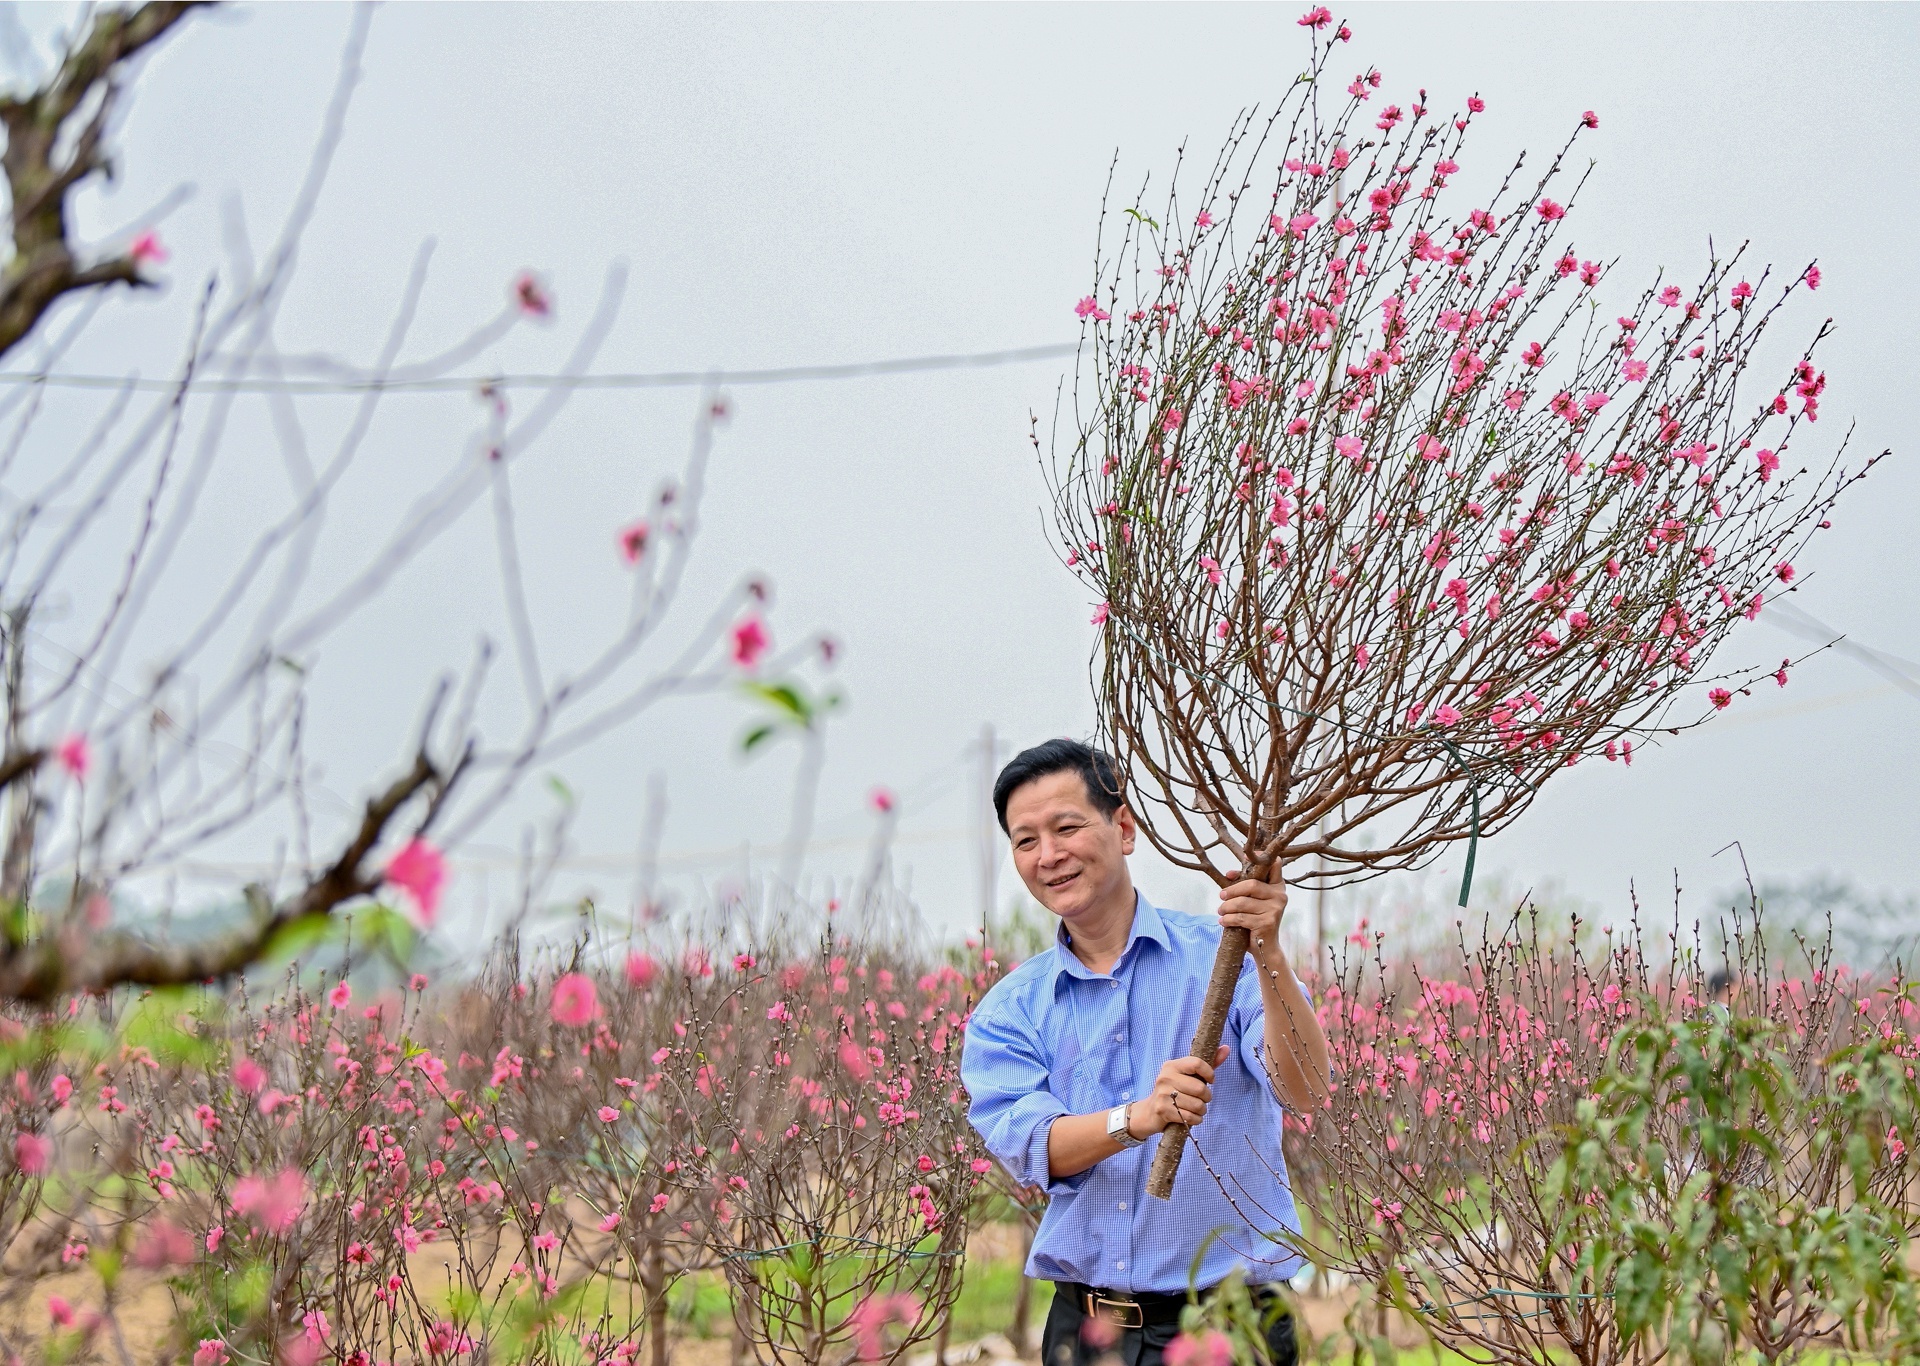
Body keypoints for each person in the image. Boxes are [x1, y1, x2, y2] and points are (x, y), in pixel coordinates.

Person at [961, 738, 1331, 1366]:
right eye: (1025, 841)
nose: (1048, 855)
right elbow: (1031, 1145)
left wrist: (1267, 947)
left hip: (1230, 1323)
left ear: (1124, 827)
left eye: (1066, 827)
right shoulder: (1010, 1008)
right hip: (1086, 1328)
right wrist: (1139, 1117)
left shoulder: (1226, 960)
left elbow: (1304, 1089)